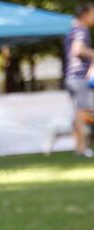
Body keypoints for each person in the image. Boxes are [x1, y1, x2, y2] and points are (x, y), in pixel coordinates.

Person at [64, 3, 94, 158]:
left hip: (71, 77)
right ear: (86, 13)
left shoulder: (72, 29)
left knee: (77, 113)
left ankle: (78, 148)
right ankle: (81, 150)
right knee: (81, 114)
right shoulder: (82, 30)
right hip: (79, 77)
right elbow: (78, 49)